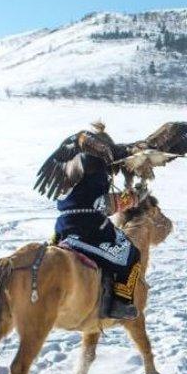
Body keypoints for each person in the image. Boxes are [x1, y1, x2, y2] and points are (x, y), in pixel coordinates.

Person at [36, 121, 141, 320]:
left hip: (62, 229)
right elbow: (102, 204)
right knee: (131, 253)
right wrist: (134, 198)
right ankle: (121, 302)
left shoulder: (66, 165)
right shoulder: (97, 166)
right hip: (90, 231)